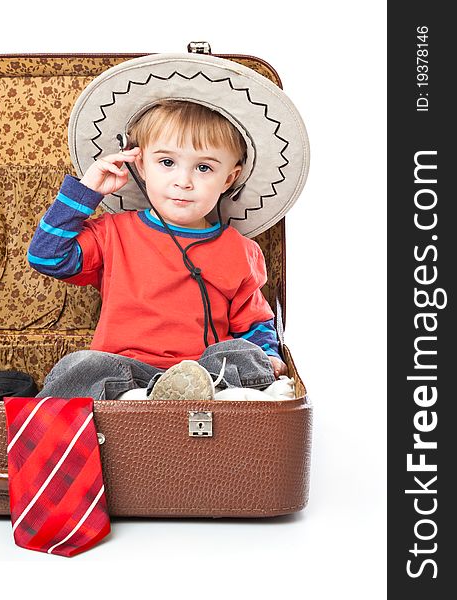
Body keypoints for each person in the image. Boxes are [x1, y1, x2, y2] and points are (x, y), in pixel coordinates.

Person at [27, 53, 310, 401]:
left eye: (204, 168)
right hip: (126, 371)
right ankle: (142, 398)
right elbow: (47, 258)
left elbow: (254, 323)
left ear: (229, 179)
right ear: (141, 165)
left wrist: (268, 357)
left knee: (240, 354)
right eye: (167, 162)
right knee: (80, 365)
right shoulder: (113, 232)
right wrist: (86, 192)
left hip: (205, 374)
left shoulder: (240, 250)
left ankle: (212, 395)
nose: (183, 181)